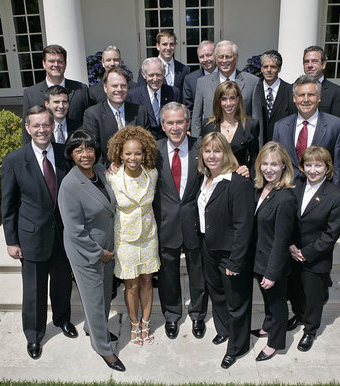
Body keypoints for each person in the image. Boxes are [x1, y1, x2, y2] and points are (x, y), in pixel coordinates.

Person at [1, 105, 77, 360]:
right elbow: (8, 204)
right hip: (31, 236)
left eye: (46, 124)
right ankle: (34, 335)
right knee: (33, 289)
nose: (42, 130)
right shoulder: (13, 160)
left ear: (53, 126)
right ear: (28, 128)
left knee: (62, 282)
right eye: (37, 125)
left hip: (62, 234)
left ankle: (62, 319)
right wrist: (11, 241)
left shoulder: (64, 153)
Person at [57, 130, 125, 372]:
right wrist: (100, 253)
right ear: (71, 154)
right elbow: (74, 230)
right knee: (95, 299)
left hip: (106, 247)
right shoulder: (70, 185)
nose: (85, 154)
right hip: (87, 252)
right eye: (78, 150)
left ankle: (92, 328)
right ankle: (104, 349)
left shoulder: (99, 172)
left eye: (88, 149)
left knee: (106, 294)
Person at [197, 132, 254, 369]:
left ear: (226, 153)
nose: (212, 155)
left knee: (236, 301)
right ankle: (224, 330)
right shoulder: (205, 178)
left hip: (230, 252)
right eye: (208, 151)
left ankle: (238, 346)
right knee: (217, 293)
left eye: (217, 150)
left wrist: (235, 261)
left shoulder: (237, 183)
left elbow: (244, 226)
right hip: (208, 247)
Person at [153, 102, 208, 340]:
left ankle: (197, 315)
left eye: (180, 122)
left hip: (195, 221)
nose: (175, 127)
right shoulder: (152, 151)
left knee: (198, 272)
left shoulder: (202, 147)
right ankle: (172, 315)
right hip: (166, 222)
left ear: (187, 124)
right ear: (163, 125)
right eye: (170, 123)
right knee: (168, 274)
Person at [287, 145, 340, 352]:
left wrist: (307, 252)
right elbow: (288, 219)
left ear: (327, 167)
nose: (313, 170)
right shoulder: (295, 185)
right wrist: (291, 246)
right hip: (293, 252)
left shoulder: (336, 196)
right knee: (295, 290)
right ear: (302, 167)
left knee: (313, 296)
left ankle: (310, 330)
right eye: (308, 165)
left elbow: (331, 233)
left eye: (318, 165)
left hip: (315, 257)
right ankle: (299, 315)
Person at [106, 126, 160, 346]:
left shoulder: (152, 174)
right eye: (128, 153)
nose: (133, 157)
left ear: (145, 153)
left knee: (147, 281)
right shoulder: (112, 178)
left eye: (137, 153)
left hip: (148, 236)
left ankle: (146, 322)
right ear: (120, 153)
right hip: (125, 239)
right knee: (132, 286)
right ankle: (134, 323)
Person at [251, 142, 297, 361]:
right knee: (268, 301)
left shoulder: (285, 198)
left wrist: (271, 273)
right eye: (265, 164)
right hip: (259, 258)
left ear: (284, 167)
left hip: (273, 263)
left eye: (275, 165)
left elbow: (281, 241)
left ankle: (275, 343)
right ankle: (268, 327)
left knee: (277, 304)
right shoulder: (262, 188)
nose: (269, 169)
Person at [273, 74, 340, 191]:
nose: (306, 100)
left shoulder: (336, 126)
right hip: (287, 193)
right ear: (294, 98)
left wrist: (333, 199)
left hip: (320, 196)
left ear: (319, 97)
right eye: (301, 95)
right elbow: (276, 163)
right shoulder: (280, 126)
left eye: (311, 95)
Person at [22, 44, 90, 143]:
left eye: (60, 61)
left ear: (65, 64)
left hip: (76, 149)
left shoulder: (81, 90)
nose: (56, 65)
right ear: (44, 64)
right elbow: (26, 129)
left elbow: (89, 122)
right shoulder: (31, 94)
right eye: (51, 61)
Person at [83, 67, 149, 167]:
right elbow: (93, 148)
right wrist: (108, 167)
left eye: (123, 86)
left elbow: (147, 145)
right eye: (114, 86)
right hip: (108, 174)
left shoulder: (140, 112)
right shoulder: (92, 114)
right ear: (105, 88)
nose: (119, 89)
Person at [191, 40, 258, 136]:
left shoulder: (252, 82)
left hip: (242, 144)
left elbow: (257, 119)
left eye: (228, 56)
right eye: (221, 57)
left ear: (236, 58)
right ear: (216, 59)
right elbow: (196, 119)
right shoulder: (202, 83)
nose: (224, 60)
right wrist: (197, 145)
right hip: (212, 144)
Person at [201, 80, 259, 176]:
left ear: (238, 99)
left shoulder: (250, 125)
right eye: (224, 99)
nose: (228, 103)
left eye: (232, 98)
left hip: (240, 181)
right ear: (218, 101)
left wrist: (248, 171)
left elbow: (254, 159)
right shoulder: (208, 125)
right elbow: (203, 157)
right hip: (215, 180)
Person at [127, 57, 181, 140]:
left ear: (164, 73)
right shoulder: (133, 96)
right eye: (151, 75)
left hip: (167, 143)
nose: (155, 79)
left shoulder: (173, 92)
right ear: (143, 74)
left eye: (158, 74)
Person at [251, 50, 296, 145]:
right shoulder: (254, 90)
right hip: (258, 147)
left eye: (273, 67)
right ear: (261, 69)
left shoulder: (290, 90)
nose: (269, 70)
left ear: (279, 69)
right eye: (265, 66)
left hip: (282, 146)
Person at [303, 45, 340, 121]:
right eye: (306, 62)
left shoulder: (337, 93)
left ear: (323, 64)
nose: (310, 65)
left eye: (314, 61)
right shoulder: (292, 89)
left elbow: (337, 125)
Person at [183, 40, 217, 114]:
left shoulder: (225, 74)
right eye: (201, 57)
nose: (205, 59)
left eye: (209, 55)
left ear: (216, 55)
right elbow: (189, 109)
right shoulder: (190, 80)